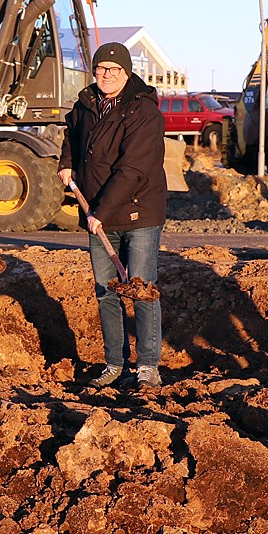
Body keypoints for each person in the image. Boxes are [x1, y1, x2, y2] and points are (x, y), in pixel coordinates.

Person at [59, 42, 167, 389]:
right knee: (107, 291)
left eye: (114, 70)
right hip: (99, 213)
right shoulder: (86, 104)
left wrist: (100, 212)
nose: (107, 75)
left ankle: (148, 365)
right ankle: (114, 363)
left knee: (141, 288)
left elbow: (132, 169)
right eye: (101, 69)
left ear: (127, 72)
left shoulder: (143, 111)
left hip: (137, 212)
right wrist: (66, 162)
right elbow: (71, 132)